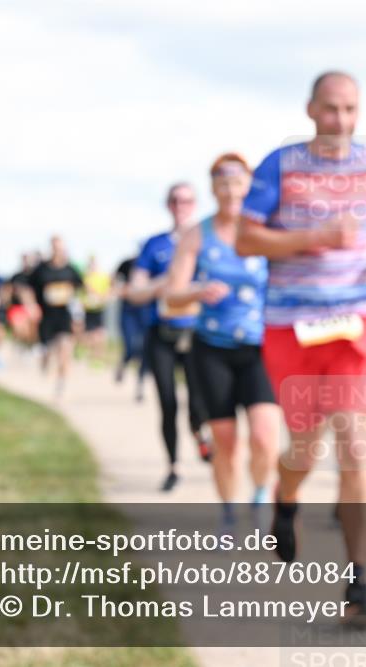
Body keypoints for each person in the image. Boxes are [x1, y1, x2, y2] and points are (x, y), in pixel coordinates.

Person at [236, 71, 366, 627]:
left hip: (356, 321)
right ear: (311, 109)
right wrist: (312, 237)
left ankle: (358, 582)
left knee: (355, 444)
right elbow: (245, 238)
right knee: (304, 450)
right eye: (331, 109)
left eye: (351, 109)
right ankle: (286, 503)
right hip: (291, 324)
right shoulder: (279, 165)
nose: (341, 120)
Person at [165, 152, 281, 534]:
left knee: (265, 437)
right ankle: (229, 513)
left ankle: (261, 495)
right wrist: (197, 290)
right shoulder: (198, 234)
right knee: (226, 442)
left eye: (238, 184)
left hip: (258, 347)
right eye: (224, 184)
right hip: (211, 348)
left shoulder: (265, 230)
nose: (232, 191)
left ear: (249, 188)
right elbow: (172, 295)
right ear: (213, 189)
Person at [130, 183, 213, 492]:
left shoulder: (207, 241)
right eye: (176, 200)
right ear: (168, 205)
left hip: (196, 332)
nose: (182, 205)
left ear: (195, 204)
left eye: (188, 200)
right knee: (166, 401)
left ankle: (200, 434)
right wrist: (165, 282)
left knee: (198, 402)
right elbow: (136, 290)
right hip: (162, 331)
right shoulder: (155, 245)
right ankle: (173, 466)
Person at [20, 236, 83, 398]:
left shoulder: (70, 269)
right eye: (55, 248)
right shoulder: (41, 269)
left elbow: (80, 289)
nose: (58, 251)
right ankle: (45, 362)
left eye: (61, 248)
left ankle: (61, 384)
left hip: (64, 315)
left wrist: (78, 314)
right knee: (48, 350)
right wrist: (31, 305)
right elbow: (26, 288)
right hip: (46, 317)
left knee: (65, 348)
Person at [113, 253, 150, 400]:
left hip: (145, 311)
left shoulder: (152, 264)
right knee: (130, 347)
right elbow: (115, 282)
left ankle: (140, 384)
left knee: (145, 349)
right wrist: (122, 290)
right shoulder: (126, 263)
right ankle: (123, 362)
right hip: (128, 311)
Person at [81, 255, 112, 364]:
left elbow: (108, 291)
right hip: (88, 308)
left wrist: (102, 297)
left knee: (99, 334)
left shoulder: (103, 277)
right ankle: (91, 355)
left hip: (99, 308)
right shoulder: (85, 276)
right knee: (88, 335)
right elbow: (84, 289)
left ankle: (98, 358)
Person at [6, 253, 39, 351]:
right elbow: (8, 290)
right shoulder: (16, 276)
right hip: (17, 307)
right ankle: (20, 344)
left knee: (33, 325)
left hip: (31, 307)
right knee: (20, 328)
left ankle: (30, 345)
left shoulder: (35, 276)